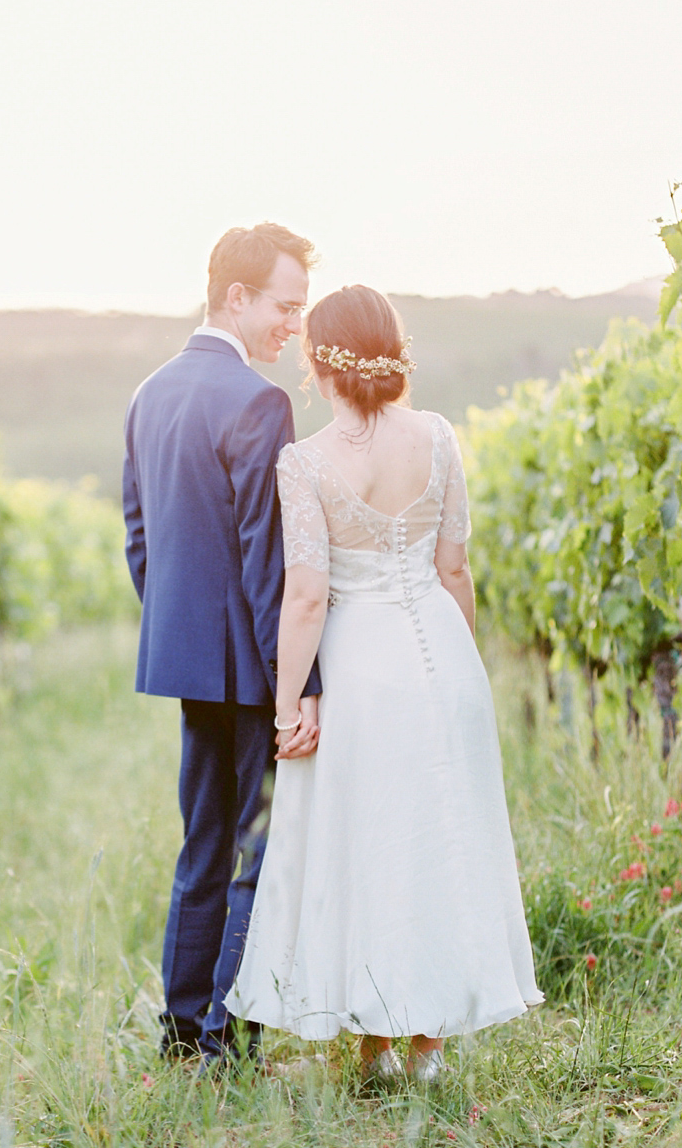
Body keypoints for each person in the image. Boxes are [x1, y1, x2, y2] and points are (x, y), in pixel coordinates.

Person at [224, 284, 541, 1083]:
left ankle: (375, 1042)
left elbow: (304, 594)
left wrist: (288, 699)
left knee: (367, 844)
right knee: (435, 838)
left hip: (361, 661)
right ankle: (424, 1042)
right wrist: (457, 663)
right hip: (438, 650)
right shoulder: (437, 438)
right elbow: (454, 567)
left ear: (318, 363)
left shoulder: (305, 461)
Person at [123, 223, 322, 1066]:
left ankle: (177, 1034)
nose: (293, 326)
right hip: (250, 670)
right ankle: (224, 1045)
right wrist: (295, 687)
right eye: (284, 305)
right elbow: (264, 557)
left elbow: (140, 540)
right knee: (254, 851)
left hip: (187, 663)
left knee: (203, 843)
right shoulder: (256, 403)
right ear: (235, 297)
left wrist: (182, 632)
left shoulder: (149, 394)